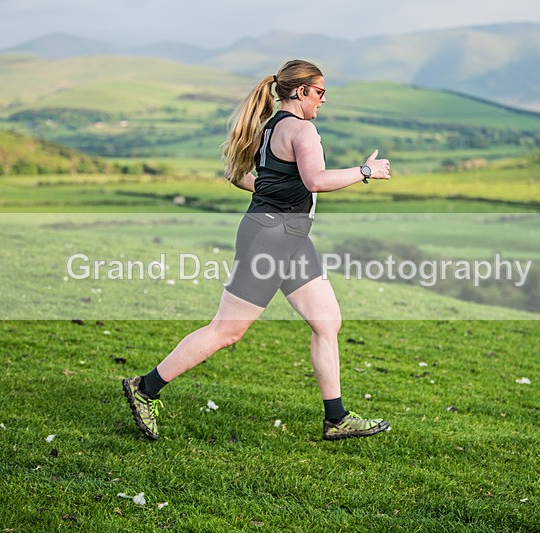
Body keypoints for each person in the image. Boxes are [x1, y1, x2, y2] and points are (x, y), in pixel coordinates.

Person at [123, 59, 392, 441]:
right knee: (226, 331)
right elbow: (316, 179)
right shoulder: (301, 129)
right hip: (271, 239)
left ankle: (336, 418)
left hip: (290, 238)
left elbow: (242, 176)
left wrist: (271, 193)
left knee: (327, 322)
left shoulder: (270, 127)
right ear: (300, 92)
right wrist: (365, 172)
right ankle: (144, 388)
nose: (323, 101)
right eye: (319, 92)